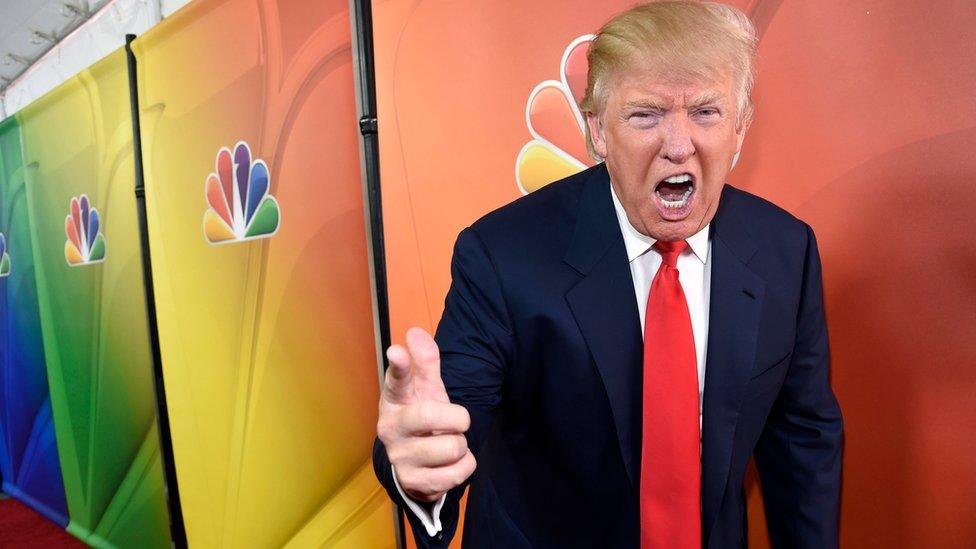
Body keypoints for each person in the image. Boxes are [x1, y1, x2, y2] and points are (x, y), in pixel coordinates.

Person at [373, 2, 843, 548]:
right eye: (646, 114)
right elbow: (446, 420)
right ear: (597, 129)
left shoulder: (787, 251)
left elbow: (803, 439)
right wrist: (421, 472)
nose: (678, 144)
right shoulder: (501, 255)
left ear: (740, 130)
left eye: (706, 113)